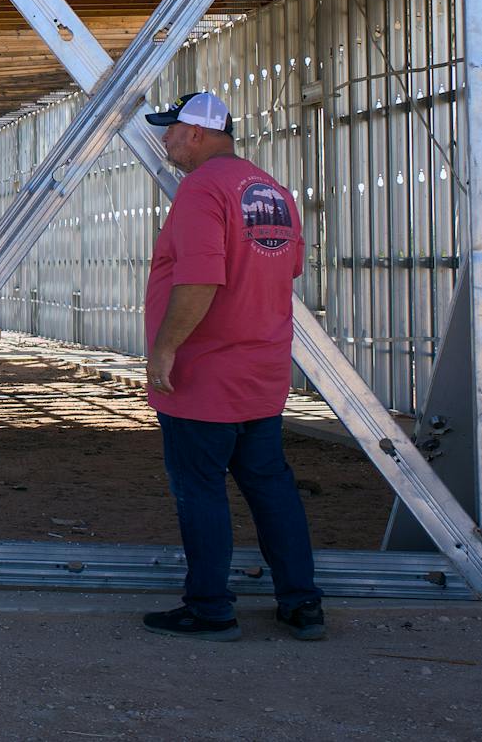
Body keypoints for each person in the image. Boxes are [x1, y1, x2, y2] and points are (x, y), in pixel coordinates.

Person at [139, 90, 325, 642]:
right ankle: (302, 603)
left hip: (205, 374)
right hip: (261, 370)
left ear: (196, 133)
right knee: (271, 486)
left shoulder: (201, 190)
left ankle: (210, 607)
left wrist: (166, 348)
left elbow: (200, 279)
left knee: (199, 489)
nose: (165, 139)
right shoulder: (272, 190)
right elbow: (286, 268)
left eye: (170, 129)